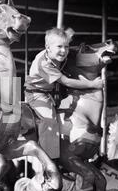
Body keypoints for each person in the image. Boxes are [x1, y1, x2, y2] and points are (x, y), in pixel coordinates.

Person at [24, 27, 103, 160]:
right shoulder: (44, 63)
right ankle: (48, 159)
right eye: (59, 47)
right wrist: (92, 84)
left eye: (66, 47)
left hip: (52, 91)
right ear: (47, 48)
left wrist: (68, 36)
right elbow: (66, 82)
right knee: (49, 120)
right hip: (37, 94)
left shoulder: (55, 53)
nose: (64, 51)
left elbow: (65, 40)